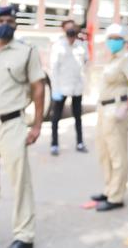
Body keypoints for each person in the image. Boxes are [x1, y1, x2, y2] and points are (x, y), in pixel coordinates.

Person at [0, 6, 45, 248]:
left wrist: (37, 125)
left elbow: (38, 87)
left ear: (16, 25)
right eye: (0, 20)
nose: (5, 24)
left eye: (10, 20)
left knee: (20, 183)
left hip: (12, 125)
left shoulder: (27, 52)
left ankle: (24, 235)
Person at [91, 23, 128, 212]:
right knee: (104, 152)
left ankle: (116, 196)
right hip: (103, 109)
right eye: (110, 38)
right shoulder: (113, 58)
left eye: (116, 38)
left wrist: (127, 106)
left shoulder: (126, 58)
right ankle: (108, 189)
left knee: (117, 154)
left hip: (116, 109)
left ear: (123, 40)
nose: (112, 41)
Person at [49, 19, 89, 156]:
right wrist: (55, 89)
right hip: (61, 87)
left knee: (78, 116)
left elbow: (85, 62)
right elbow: (53, 69)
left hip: (76, 87)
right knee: (56, 117)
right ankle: (54, 144)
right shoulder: (58, 46)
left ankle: (80, 142)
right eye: (68, 29)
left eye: (73, 28)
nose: (71, 31)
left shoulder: (81, 45)